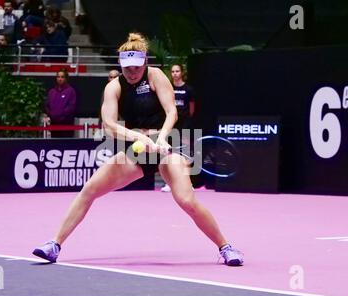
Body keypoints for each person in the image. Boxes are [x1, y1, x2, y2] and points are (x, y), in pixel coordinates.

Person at [32, 32, 243, 266]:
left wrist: (162, 137)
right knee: (90, 189)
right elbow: (110, 125)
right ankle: (54, 244)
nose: (131, 72)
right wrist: (137, 136)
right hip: (137, 149)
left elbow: (172, 111)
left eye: (136, 67)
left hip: (167, 147)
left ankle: (226, 247)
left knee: (186, 201)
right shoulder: (114, 87)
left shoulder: (156, 76)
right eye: (126, 68)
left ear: (145, 62)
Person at [161, 63, 196, 192]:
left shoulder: (189, 90)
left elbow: (192, 109)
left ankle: (188, 183)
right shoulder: (168, 89)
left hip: (185, 124)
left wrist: (186, 119)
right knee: (170, 153)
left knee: (186, 153)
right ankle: (169, 184)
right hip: (171, 124)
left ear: (182, 73)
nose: (175, 73)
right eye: (173, 71)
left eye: (177, 71)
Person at [43, 69, 77, 138]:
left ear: (66, 79)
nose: (60, 79)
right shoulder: (51, 91)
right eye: (58, 77)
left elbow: (71, 107)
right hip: (54, 125)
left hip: (66, 126)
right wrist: (51, 115)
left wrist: (61, 116)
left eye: (62, 77)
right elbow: (47, 105)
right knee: (54, 146)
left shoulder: (71, 91)